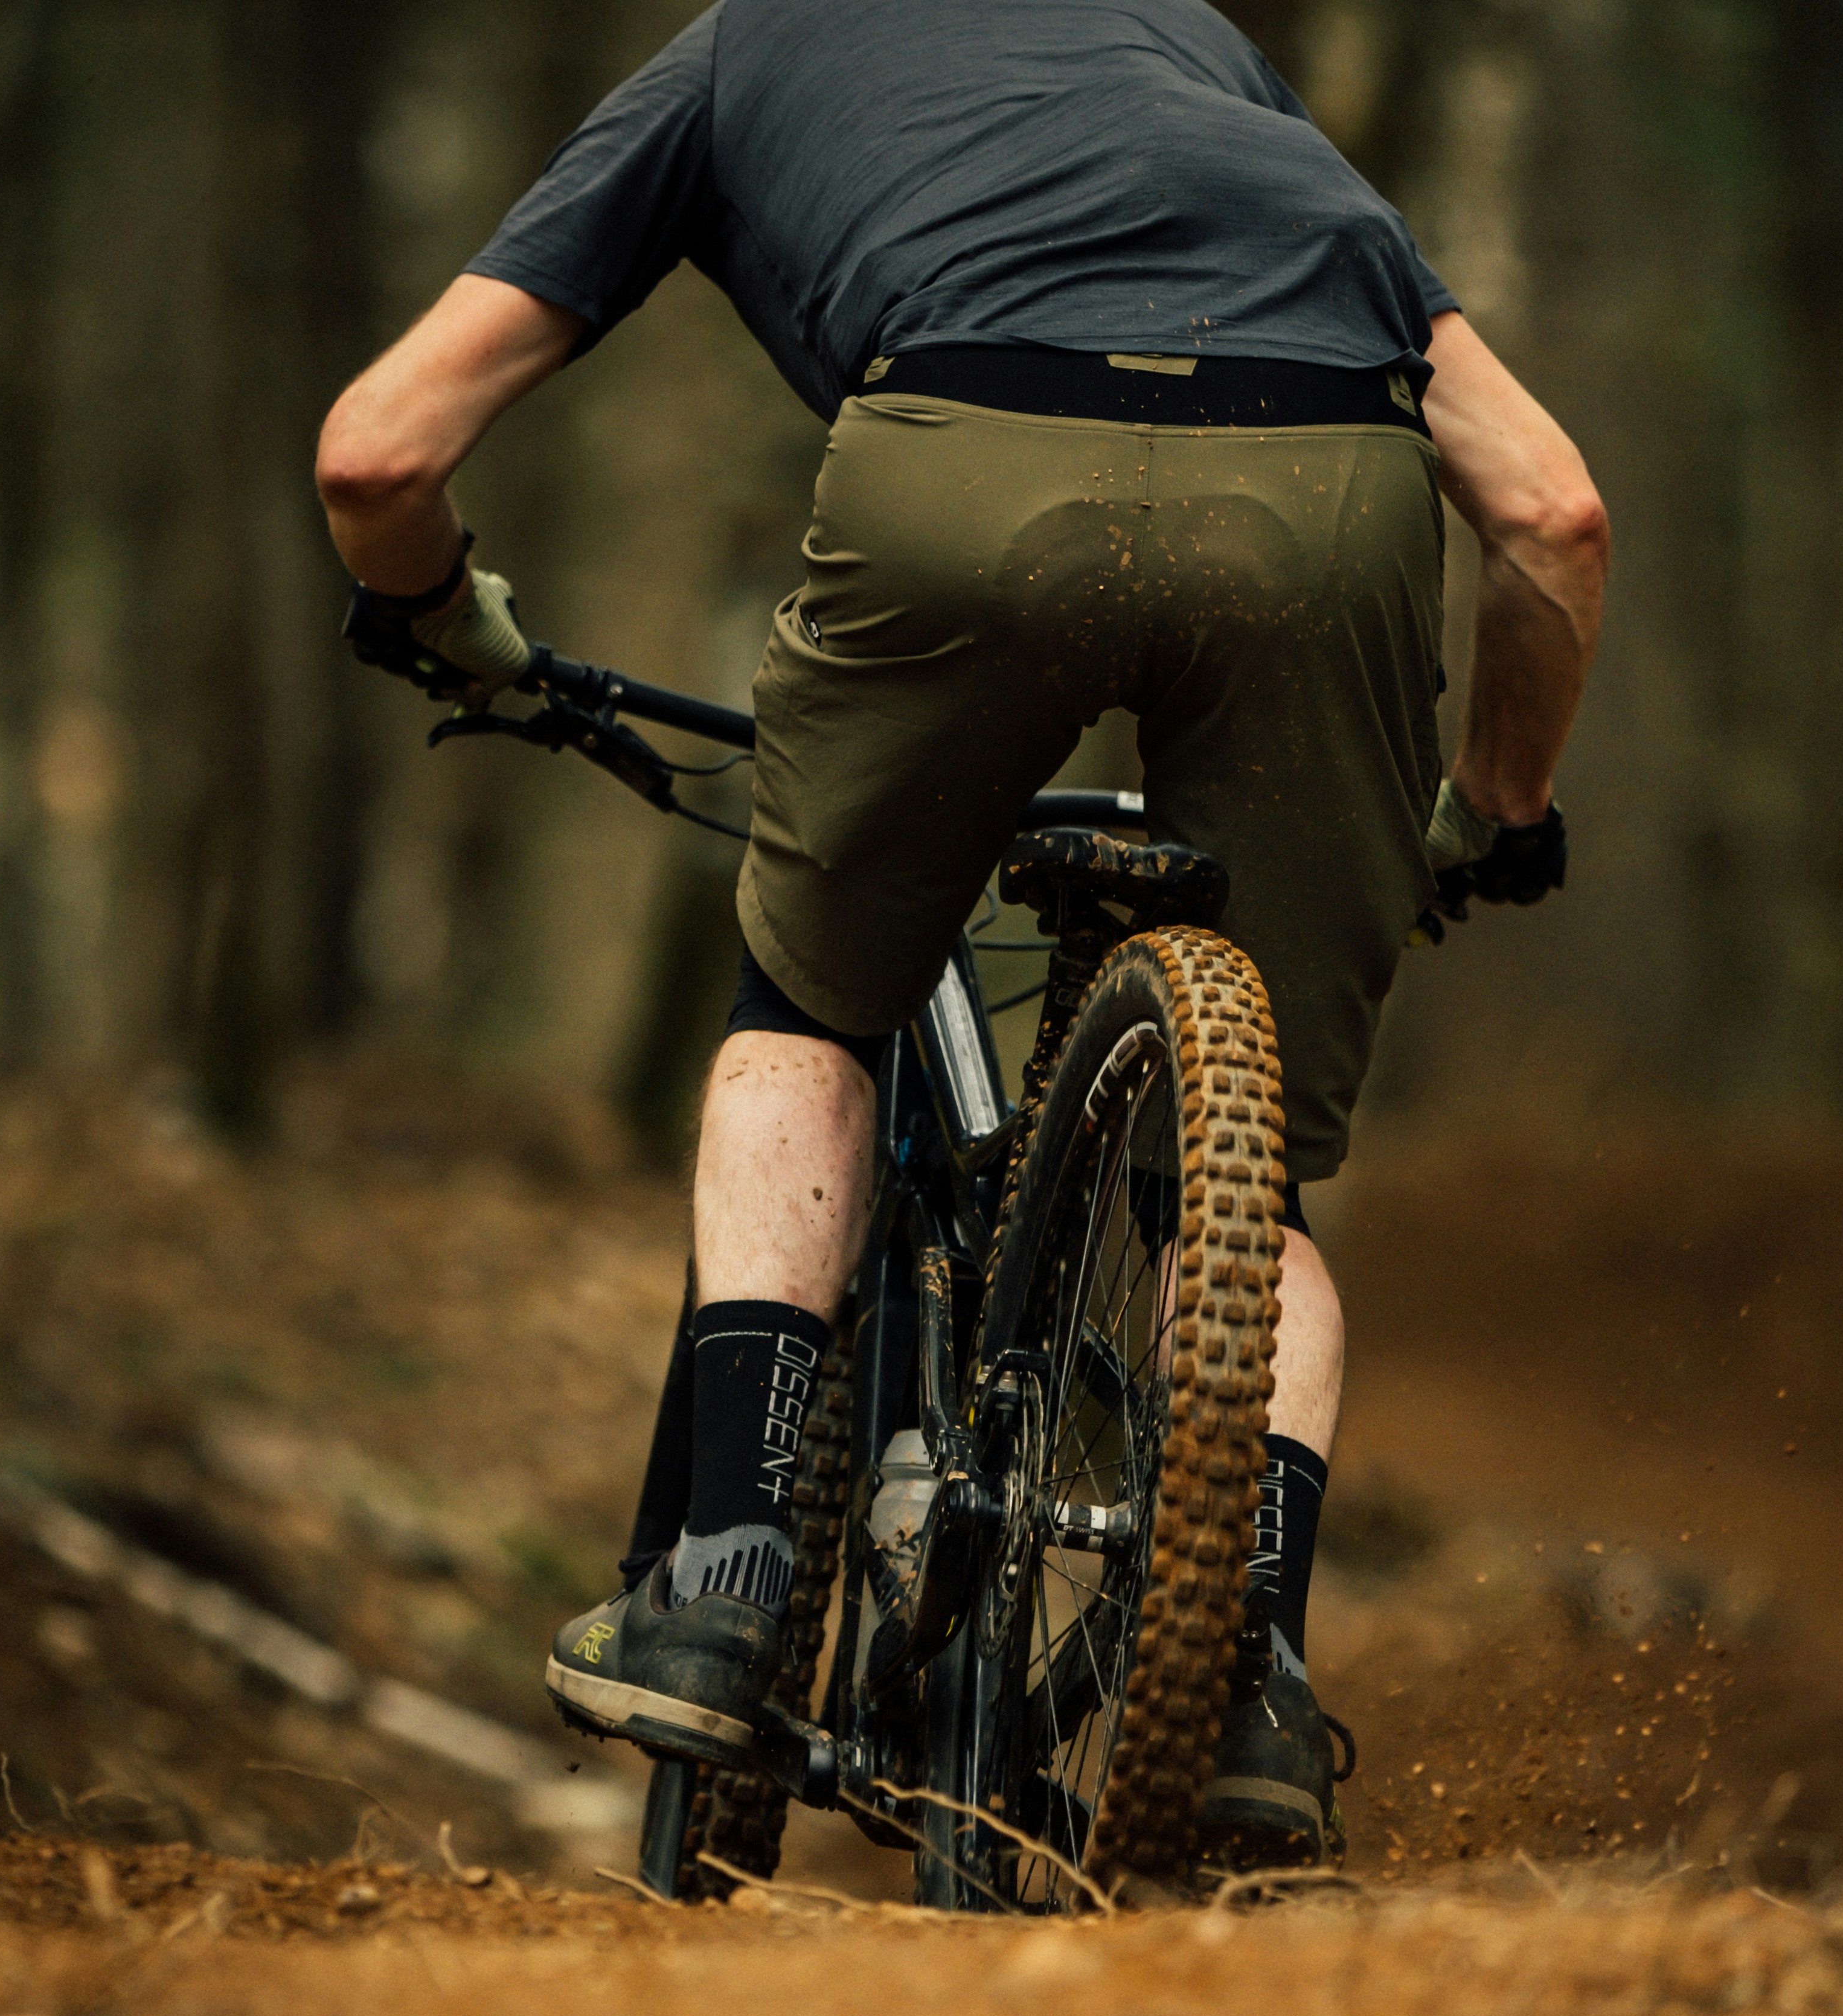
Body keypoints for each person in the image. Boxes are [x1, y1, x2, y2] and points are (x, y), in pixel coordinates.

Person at [313, 0, 1607, 1864]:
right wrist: (1494, 810)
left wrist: (447, 623)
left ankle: (727, 1582)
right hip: (1324, 492)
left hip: (967, 468)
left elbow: (376, 454)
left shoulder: (742, 53)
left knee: (807, 1018)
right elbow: (1553, 511)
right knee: (1259, 1213)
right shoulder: (1203, 55)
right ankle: (1249, 1674)